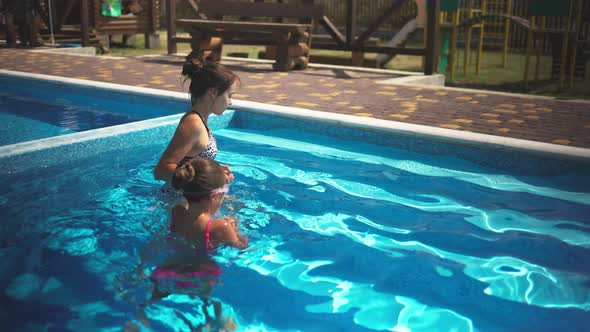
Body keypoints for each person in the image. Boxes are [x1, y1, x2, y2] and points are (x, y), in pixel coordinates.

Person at [137, 157, 246, 330]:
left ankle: (139, 319)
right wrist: (236, 226)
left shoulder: (176, 211)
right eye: (223, 195)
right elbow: (241, 246)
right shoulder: (220, 226)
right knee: (209, 307)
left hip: (168, 268)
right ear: (214, 196)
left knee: (152, 300)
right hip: (201, 274)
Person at [154, 52, 239, 184]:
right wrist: (205, 180)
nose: (230, 102)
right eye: (229, 95)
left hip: (193, 198)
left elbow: (191, 163)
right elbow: (161, 170)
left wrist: (213, 172)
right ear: (213, 92)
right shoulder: (193, 124)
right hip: (180, 201)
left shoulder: (200, 120)